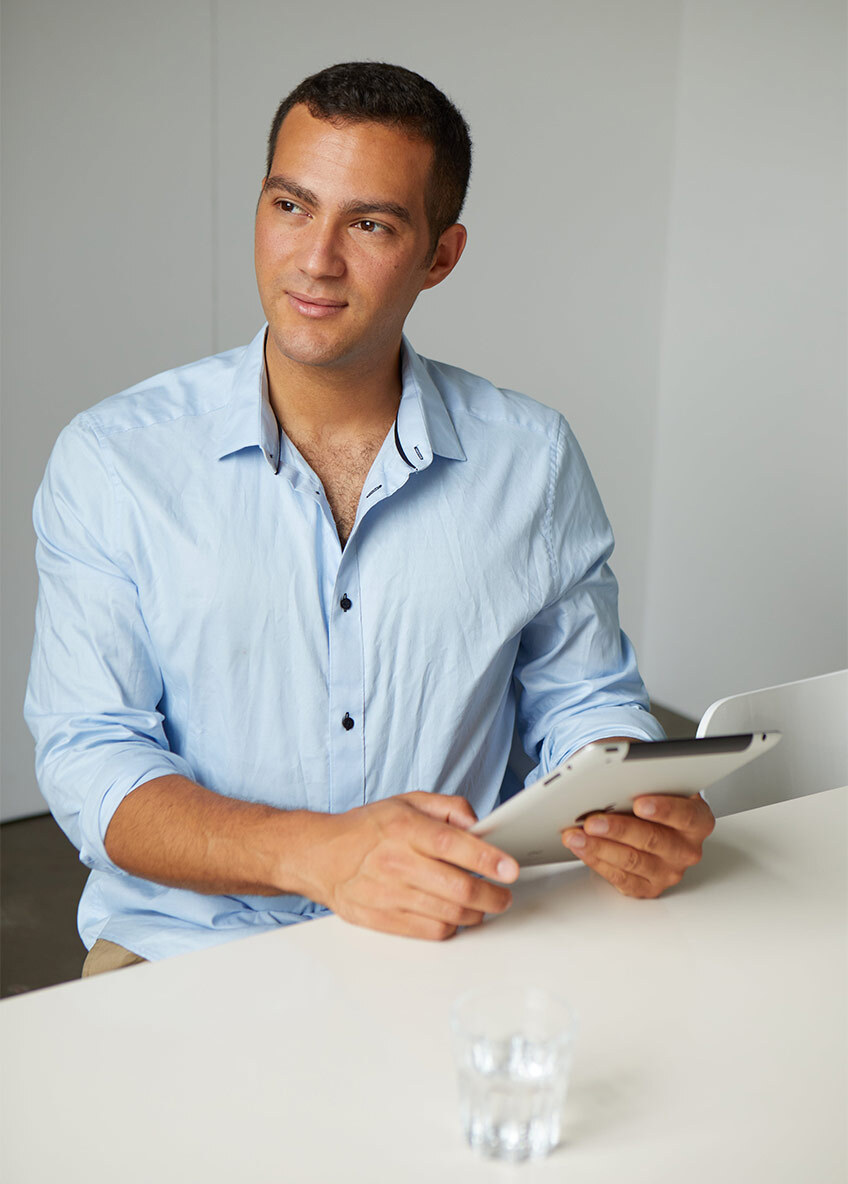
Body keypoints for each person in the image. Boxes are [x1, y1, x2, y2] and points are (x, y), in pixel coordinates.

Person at [25, 62, 714, 975]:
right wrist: (318, 854)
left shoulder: (533, 459)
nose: (316, 259)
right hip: (186, 948)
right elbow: (91, 756)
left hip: (453, 933)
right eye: (291, 206)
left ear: (440, 256)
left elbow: (583, 700)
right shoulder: (114, 461)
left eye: (371, 224)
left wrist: (627, 799)